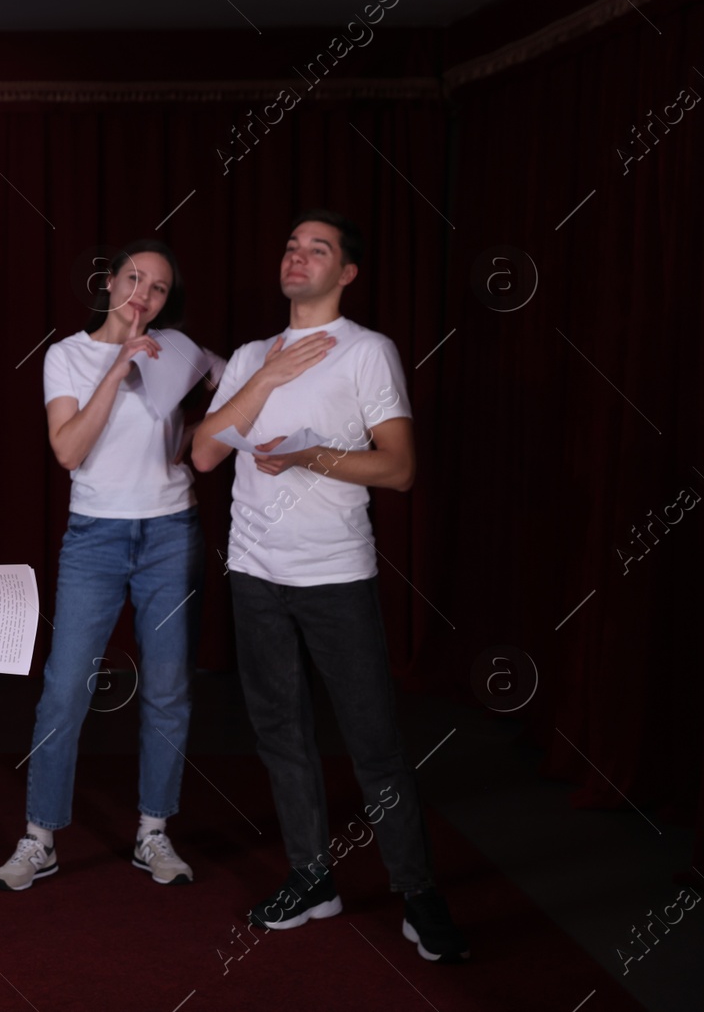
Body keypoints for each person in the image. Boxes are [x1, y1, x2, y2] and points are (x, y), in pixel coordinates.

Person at [189, 209, 468, 963]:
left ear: (346, 273)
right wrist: (270, 375)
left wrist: (314, 456)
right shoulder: (251, 353)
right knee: (282, 735)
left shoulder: (367, 351)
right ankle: (313, 878)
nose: (297, 256)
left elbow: (400, 467)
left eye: (317, 248)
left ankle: (418, 893)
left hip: (336, 577)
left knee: (374, 744)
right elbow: (207, 454)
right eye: (290, 245)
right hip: (254, 574)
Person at [0, 240, 223, 892]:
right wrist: (119, 369)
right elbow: (68, 449)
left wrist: (215, 429)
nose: (142, 295)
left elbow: (237, 404)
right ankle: (41, 836)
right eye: (133, 278)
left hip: (171, 532)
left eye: (157, 287)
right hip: (95, 537)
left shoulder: (181, 352)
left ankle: (153, 830)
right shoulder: (68, 355)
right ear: (110, 282)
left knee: (170, 685)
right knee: (66, 685)